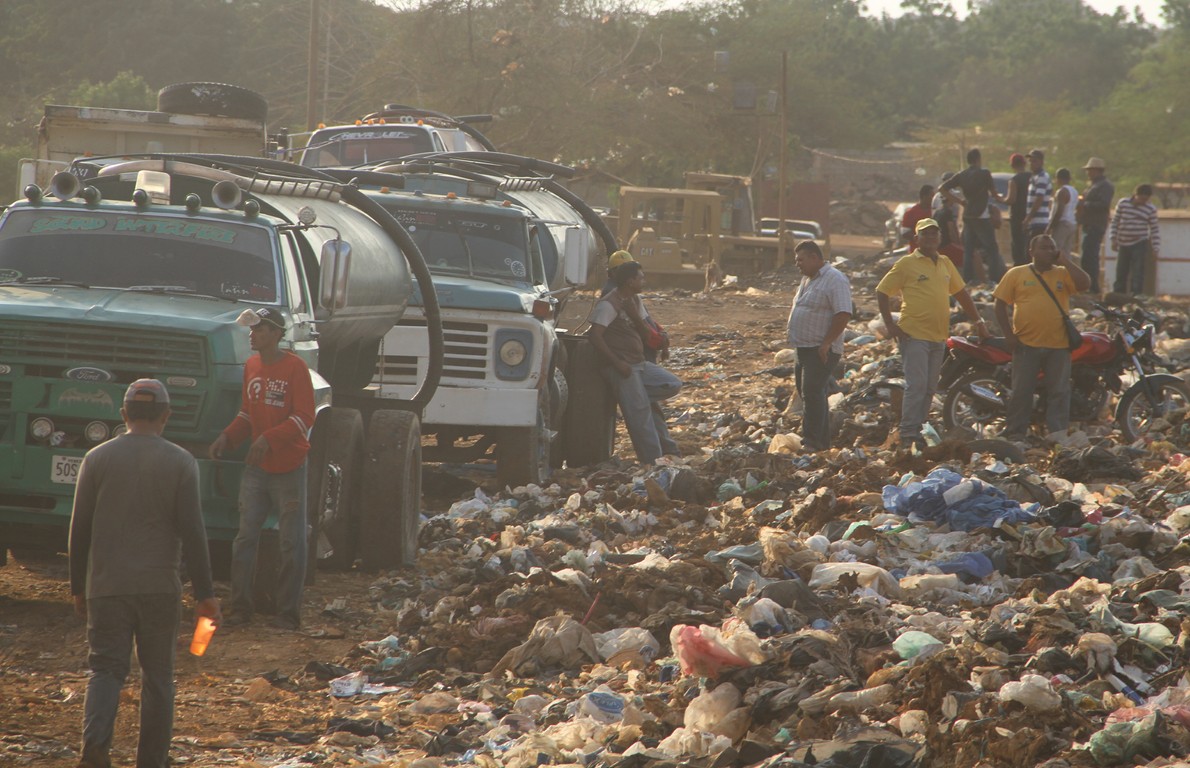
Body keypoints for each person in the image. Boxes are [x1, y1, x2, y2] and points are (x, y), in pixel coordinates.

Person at [70, 379, 220, 768]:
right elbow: (194, 532)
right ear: (166, 416)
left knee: (105, 669)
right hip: (159, 588)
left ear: (123, 416)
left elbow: (79, 529)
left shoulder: (96, 458)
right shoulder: (181, 462)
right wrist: (206, 593)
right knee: (158, 678)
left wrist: (77, 588)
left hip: (106, 587)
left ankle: (95, 750)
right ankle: (152, 760)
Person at [210, 307, 315, 630]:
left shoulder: (296, 369)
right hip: (257, 468)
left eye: (258, 330)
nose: (251, 335)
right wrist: (228, 437)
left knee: (291, 541)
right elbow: (247, 412)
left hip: (289, 467)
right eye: (252, 330)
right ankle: (241, 608)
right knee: (245, 538)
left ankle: (287, 614)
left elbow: (303, 417)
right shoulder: (252, 366)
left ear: (275, 334)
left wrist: (269, 439)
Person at [877, 218, 990, 449]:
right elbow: (882, 291)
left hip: (938, 336)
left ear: (939, 238)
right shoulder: (907, 263)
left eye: (934, 234)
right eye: (925, 234)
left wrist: (978, 321)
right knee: (916, 385)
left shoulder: (946, 263)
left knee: (930, 387)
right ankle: (908, 433)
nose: (930, 238)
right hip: (913, 334)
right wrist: (890, 324)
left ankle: (918, 428)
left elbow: (961, 294)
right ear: (917, 239)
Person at [993, 234, 1092, 440]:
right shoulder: (1017, 273)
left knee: (1059, 392)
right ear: (1032, 252)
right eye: (1044, 248)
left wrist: (1064, 260)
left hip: (1059, 345)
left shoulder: (1063, 274)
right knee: (1021, 392)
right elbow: (999, 303)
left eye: (1052, 248)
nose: (1049, 252)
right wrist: (1008, 334)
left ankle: (1057, 434)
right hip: (1026, 344)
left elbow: (1085, 284)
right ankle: (1016, 433)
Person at [589, 260, 682, 464]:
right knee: (641, 418)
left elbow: (646, 333)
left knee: (672, 384)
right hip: (623, 366)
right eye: (640, 277)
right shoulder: (608, 304)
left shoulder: (635, 301)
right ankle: (654, 462)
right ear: (630, 281)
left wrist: (633, 315)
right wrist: (616, 362)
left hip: (639, 364)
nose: (643, 281)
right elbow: (595, 336)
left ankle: (633, 398)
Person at [786, 240, 852, 451]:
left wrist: (826, 344)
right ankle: (822, 443)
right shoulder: (808, 279)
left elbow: (843, 315)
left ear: (815, 258)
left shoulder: (835, 279)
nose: (798, 264)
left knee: (812, 392)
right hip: (803, 347)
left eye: (801, 260)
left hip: (821, 349)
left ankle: (812, 442)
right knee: (810, 393)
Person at [940, 148, 1006, 282]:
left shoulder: (962, 174)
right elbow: (994, 194)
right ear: (978, 159)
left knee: (968, 250)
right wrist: (1005, 199)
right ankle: (993, 280)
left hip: (968, 215)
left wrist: (960, 202)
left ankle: (967, 280)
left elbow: (942, 189)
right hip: (982, 215)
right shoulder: (985, 173)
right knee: (992, 249)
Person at [1110, 184, 1161, 295]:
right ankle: (1118, 293)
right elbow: (1115, 221)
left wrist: (1156, 248)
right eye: (1142, 199)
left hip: (1139, 242)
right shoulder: (1123, 204)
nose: (1143, 202)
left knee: (1138, 271)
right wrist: (1113, 238)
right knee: (1121, 270)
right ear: (1135, 195)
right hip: (1123, 242)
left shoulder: (1150, 209)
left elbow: (1154, 230)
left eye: (1146, 200)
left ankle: (1136, 294)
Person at [1078, 157, 1114, 294]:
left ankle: (1093, 287)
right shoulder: (1093, 185)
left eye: (1090, 170)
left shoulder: (1105, 186)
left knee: (1090, 256)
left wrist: (1084, 204)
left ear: (1097, 170)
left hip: (1096, 224)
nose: (1088, 173)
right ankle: (1089, 285)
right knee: (1087, 256)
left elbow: (1103, 204)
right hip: (1089, 224)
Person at [1003, 153, 1032, 266]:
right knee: (1028, 243)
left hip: (1017, 217)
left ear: (1012, 165)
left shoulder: (1014, 180)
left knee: (1017, 244)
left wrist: (999, 198)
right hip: (1030, 216)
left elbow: (1011, 200)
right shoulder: (1032, 177)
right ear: (1024, 164)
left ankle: (1019, 267)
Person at [1047, 168, 1079, 260]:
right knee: (1066, 252)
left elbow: (1059, 211)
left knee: (1055, 250)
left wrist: (1050, 226)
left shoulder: (1062, 191)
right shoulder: (1074, 191)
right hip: (1072, 223)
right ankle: (1067, 272)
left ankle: (1057, 272)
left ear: (1058, 179)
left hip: (1062, 224)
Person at [1024, 149, 1052, 240]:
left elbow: (1039, 199)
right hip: (1034, 222)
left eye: (1034, 161)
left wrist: (1028, 218)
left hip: (1039, 222)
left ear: (1041, 162)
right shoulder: (1034, 177)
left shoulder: (1042, 177)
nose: (1031, 164)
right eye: (1030, 161)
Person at [900, 184, 935, 250]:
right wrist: (919, 239)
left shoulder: (935, 212)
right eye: (932, 196)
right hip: (916, 252)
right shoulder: (911, 213)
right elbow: (904, 233)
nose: (934, 198)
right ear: (924, 196)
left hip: (933, 253)